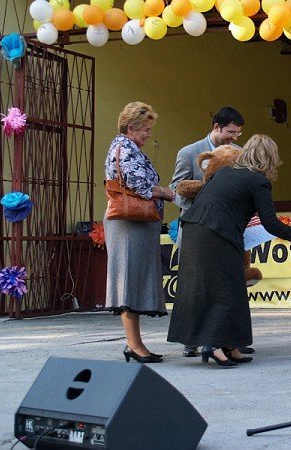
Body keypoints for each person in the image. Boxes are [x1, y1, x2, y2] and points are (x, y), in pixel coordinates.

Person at [166, 134, 291, 367]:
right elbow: (270, 223)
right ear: (269, 158)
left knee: (215, 288)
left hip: (193, 229)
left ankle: (231, 346)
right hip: (216, 233)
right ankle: (213, 345)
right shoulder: (258, 181)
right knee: (226, 289)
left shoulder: (225, 172)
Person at [104, 102, 176, 363]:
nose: (148, 134)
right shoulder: (125, 148)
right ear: (131, 127)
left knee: (132, 279)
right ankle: (133, 345)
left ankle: (134, 343)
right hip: (128, 224)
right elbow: (139, 185)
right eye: (145, 129)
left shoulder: (127, 147)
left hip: (134, 224)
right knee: (129, 280)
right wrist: (166, 192)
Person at [170, 106, 245, 358]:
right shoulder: (189, 152)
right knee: (194, 286)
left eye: (238, 133)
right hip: (195, 228)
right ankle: (191, 340)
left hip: (226, 230)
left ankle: (228, 339)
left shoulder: (238, 154)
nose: (234, 138)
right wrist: (205, 196)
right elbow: (176, 189)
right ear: (216, 127)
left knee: (225, 287)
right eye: (230, 132)